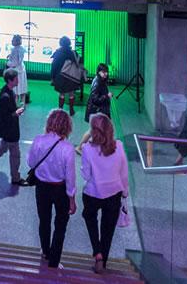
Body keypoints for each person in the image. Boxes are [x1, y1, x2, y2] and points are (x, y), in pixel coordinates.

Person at [27, 109, 76, 269]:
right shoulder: (67, 148)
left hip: (41, 187)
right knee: (60, 224)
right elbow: (70, 177)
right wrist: (72, 198)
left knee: (44, 220)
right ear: (67, 126)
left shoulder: (38, 140)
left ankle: (46, 251)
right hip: (59, 189)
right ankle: (54, 262)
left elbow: (31, 163)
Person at [81, 114, 129, 274]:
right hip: (114, 194)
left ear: (93, 131)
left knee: (90, 219)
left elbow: (86, 176)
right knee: (107, 231)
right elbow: (124, 173)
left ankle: (98, 253)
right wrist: (125, 192)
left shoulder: (87, 149)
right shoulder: (119, 146)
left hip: (93, 194)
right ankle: (104, 261)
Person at [78, 64, 112, 153]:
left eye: (106, 72)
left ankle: (93, 145)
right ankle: (79, 147)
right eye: (103, 72)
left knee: (99, 130)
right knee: (92, 130)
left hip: (99, 111)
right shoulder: (97, 83)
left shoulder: (100, 80)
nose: (105, 74)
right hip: (96, 111)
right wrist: (106, 96)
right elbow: (95, 99)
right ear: (98, 72)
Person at [51, 36, 79, 116]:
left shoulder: (58, 52)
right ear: (69, 43)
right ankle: (71, 109)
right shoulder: (73, 53)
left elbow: (54, 65)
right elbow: (77, 65)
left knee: (62, 94)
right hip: (71, 76)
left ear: (60, 43)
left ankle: (60, 110)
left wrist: (52, 77)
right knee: (71, 94)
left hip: (60, 77)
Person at [6, 34, 27, 106]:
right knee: (22, 89)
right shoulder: (21, 48)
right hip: (21, 70)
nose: (11, 41)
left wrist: (8, 63)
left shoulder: (15, 49)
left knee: (16, 90)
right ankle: (22, 105)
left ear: (17, 41)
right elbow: (19, 60)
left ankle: (15, 106)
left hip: (16, 71)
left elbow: (16, 62)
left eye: (13, 40)